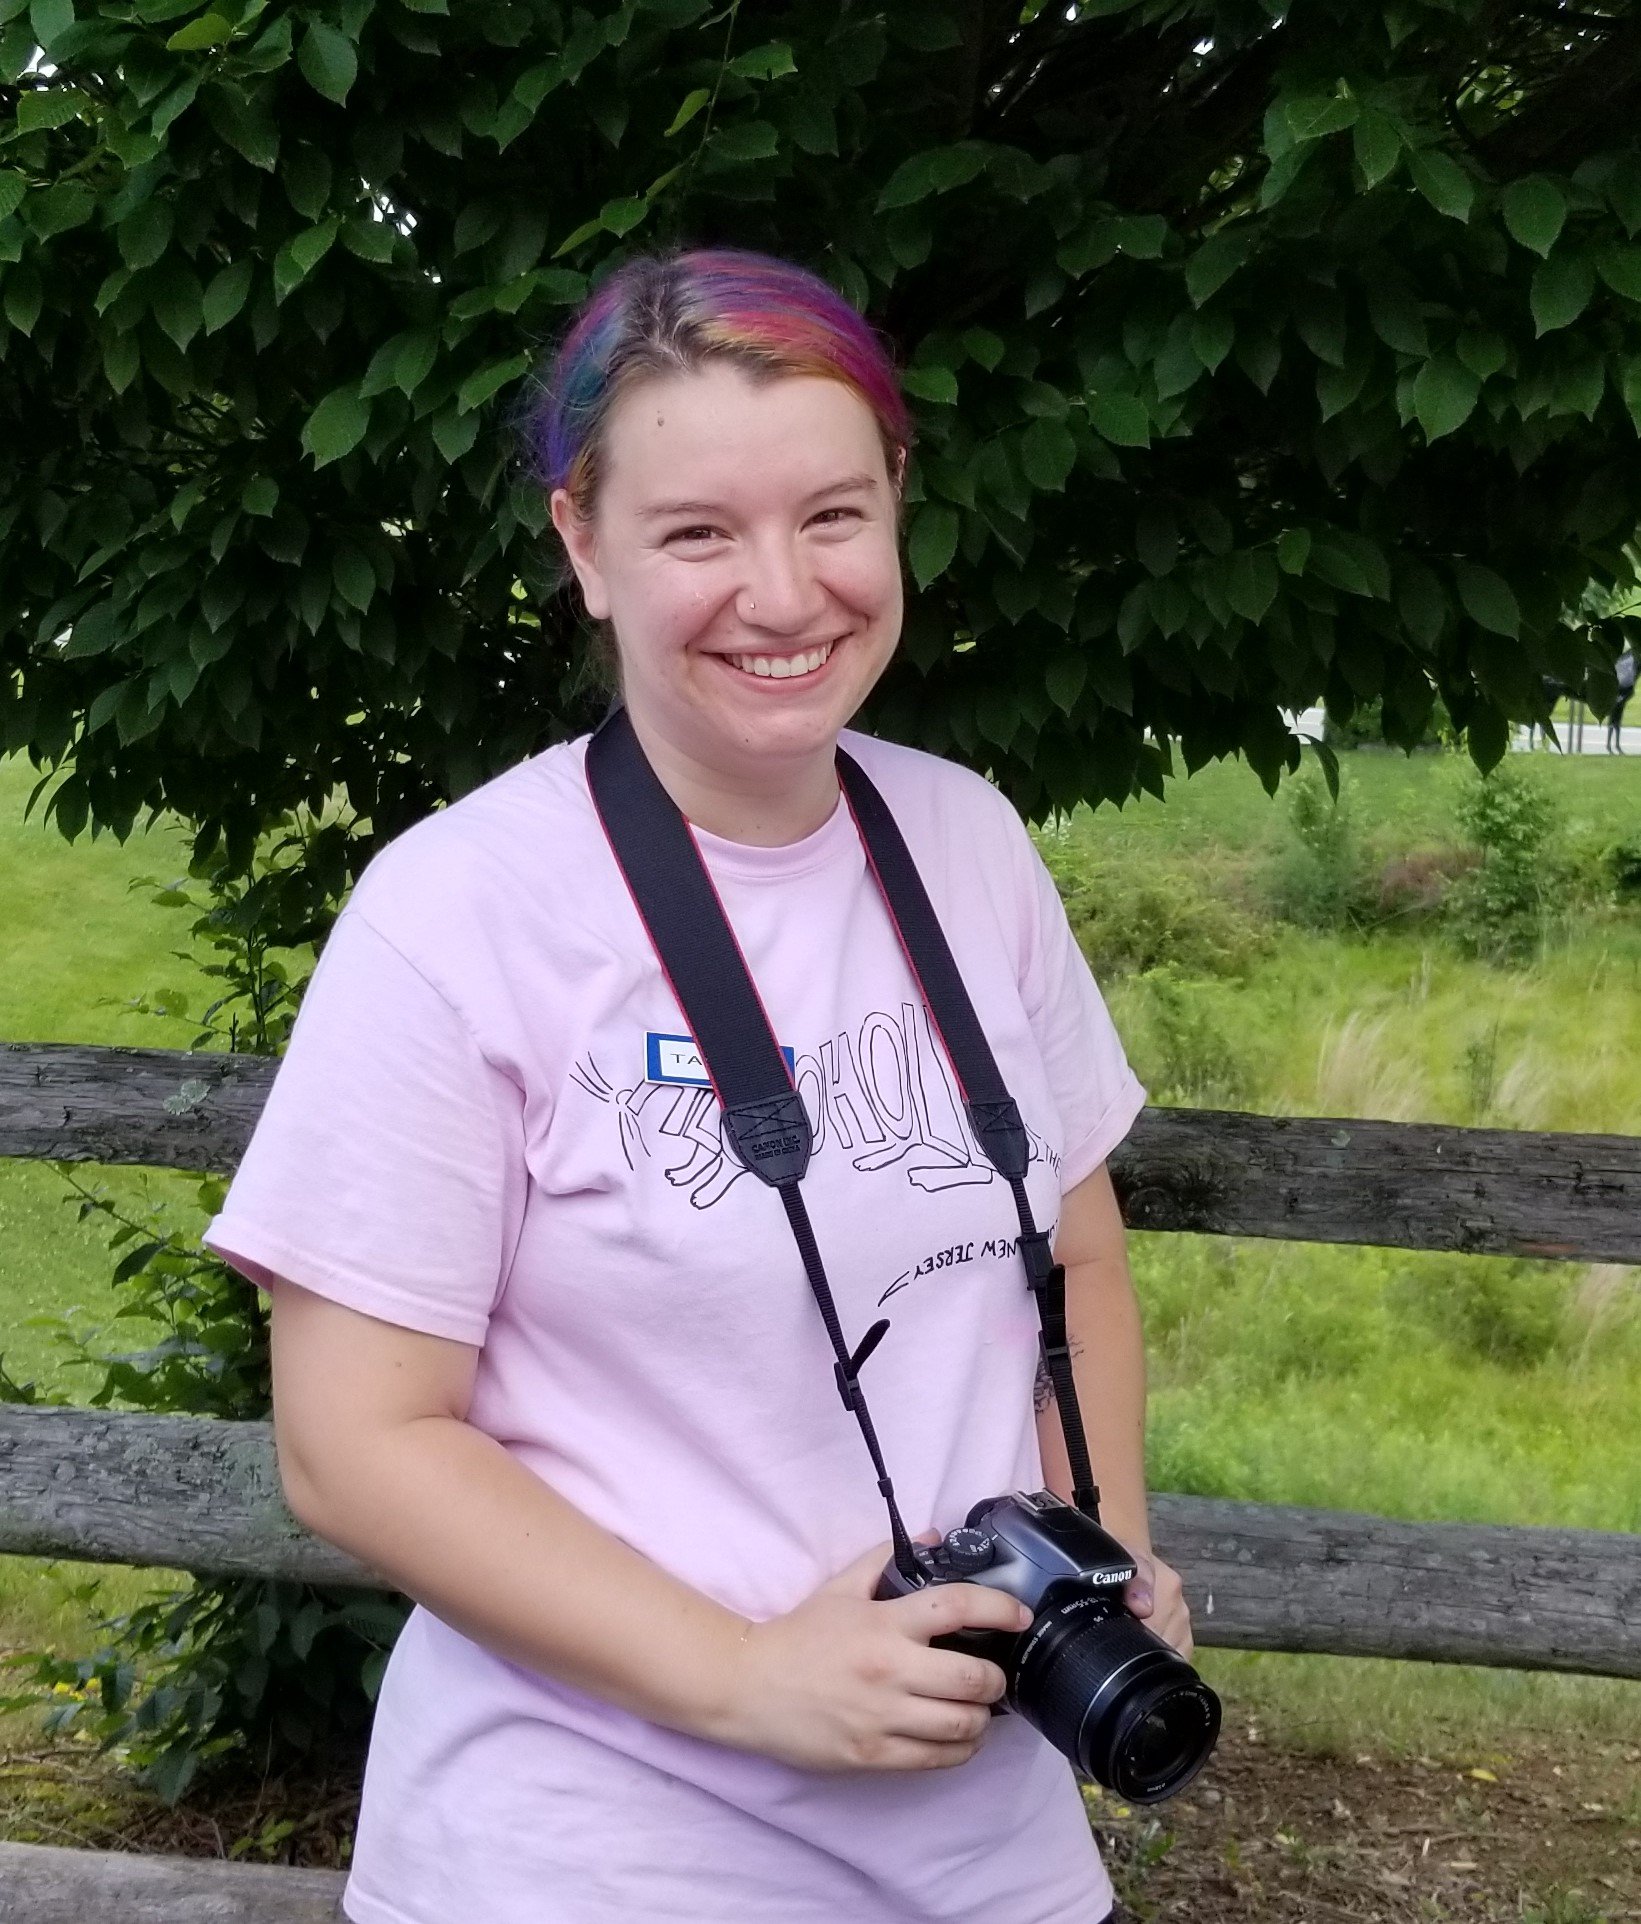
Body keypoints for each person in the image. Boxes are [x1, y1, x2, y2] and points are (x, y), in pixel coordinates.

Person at [202, 247, 1190, 1924]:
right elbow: (353, 1442)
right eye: (697, 534)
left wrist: (1108, 1550)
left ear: (898, 502)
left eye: (831, 514)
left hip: (990, 1850)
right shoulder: (457, 913)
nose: (784, 594)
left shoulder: (966, 841)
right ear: (584, 546)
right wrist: (742, 1677)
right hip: (587, 1854)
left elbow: (1074, 1257)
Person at [1609, 644, 1636, 753]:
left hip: (1622, 692)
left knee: (1616, 721)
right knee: (1614, 721)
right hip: (1620, 691)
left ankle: (1614, 745)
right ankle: (1612, 745)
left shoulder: (1627, 660)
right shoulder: (1627, 661)